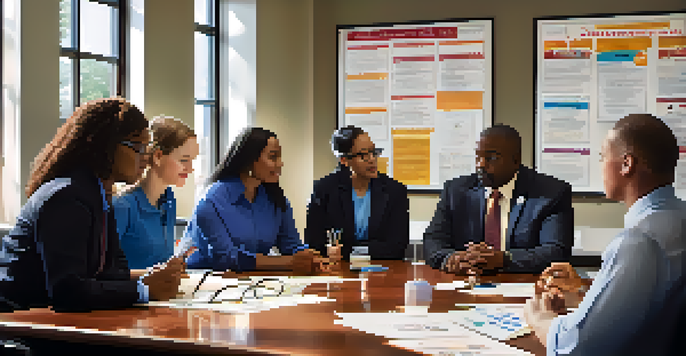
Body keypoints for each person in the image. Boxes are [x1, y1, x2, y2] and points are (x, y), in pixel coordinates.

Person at [0, 98, 185, 313]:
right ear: (101, 144)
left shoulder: (100, 195)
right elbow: (68, 291)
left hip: (56, 323)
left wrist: (155, 276)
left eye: (147, 148)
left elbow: (114, 272)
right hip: (19, 324)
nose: (145, 158)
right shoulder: (66, 196)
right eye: (137, 147)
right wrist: (143, 290)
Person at [524, 113, 686, 355]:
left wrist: (539, 318)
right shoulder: (678, 217)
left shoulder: (637, 242)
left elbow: (579, 347)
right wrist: (587, 291)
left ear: (626, 164)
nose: (600, 166)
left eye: (602, 157)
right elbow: (652, 303)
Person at [423, 124, 574, 274]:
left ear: (516, 160)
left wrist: (504, 259)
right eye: (478, 157)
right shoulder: (456, 190)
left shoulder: (551, 193)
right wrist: (449, 259)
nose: (480, 165)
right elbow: (433, 240)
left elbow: (555, 251)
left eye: (492, 158)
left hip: (523, 288)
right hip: (465, 285)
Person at [183, 127, 326, 273]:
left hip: (253, 281)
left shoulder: (275, 199)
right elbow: (226, 258)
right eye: (273, 157)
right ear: (249, 160)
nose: (280, 163)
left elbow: (290, 245)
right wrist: (288, 262)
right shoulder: (210, 200)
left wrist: (310, 257)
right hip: (203, 281)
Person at [305, 125, 409, 260]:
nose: (372, 159)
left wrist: (352, 251)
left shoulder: (394, 191)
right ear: (344, 160)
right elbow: (314, 243)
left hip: (382, 269)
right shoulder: (325, 189)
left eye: (373, 152)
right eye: (363, 155)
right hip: (337, 270)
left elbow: (397, 246)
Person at [113, 116, 199, 269]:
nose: (190, 169)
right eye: (184, 160)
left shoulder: (169, 201)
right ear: (158, 156)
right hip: (129, 292)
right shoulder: (122, 205)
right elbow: (105, 273)